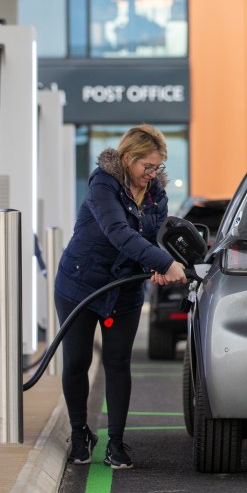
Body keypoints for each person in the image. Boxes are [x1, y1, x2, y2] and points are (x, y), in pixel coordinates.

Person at [53, 124, 187, 469]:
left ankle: (115, 443)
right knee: (77, 361)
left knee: (117, 362)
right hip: (80, 285)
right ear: (128, 159)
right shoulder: (103, 184)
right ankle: (80, 434)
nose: (153, 174)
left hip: (124, 288)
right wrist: (163, 262)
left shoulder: (156, 193)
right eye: (148, 167)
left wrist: (160, 261)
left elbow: (155, 237)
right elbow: (118, 233)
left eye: (157, 168)